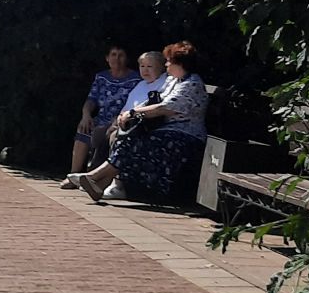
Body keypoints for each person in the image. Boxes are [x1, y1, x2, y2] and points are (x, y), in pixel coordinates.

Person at [74, 41, 207, 205]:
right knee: (130, 137)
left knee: (135, 141)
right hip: (165, 132)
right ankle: (100, 183)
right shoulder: (174, 81)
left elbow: (164, 107)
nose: (166, 65)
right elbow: (155, 99)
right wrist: (129, 113)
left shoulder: (192, 84)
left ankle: (96, 178)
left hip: (185, 136)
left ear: (180, 63)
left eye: (169, 61)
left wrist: (132, 113)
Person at [62, 43, 141, 184]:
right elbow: (91, 99)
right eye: (113, 55)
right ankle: (73, 176)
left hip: (120, 119)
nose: (117, 59)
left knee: (109, 134)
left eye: (121, 55)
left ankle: (101, 179)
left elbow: (135, 103)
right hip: (102, 117)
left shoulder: (135, 79)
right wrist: (86, 115)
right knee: (84, 128)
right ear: (107, 58)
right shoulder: (101, 77)